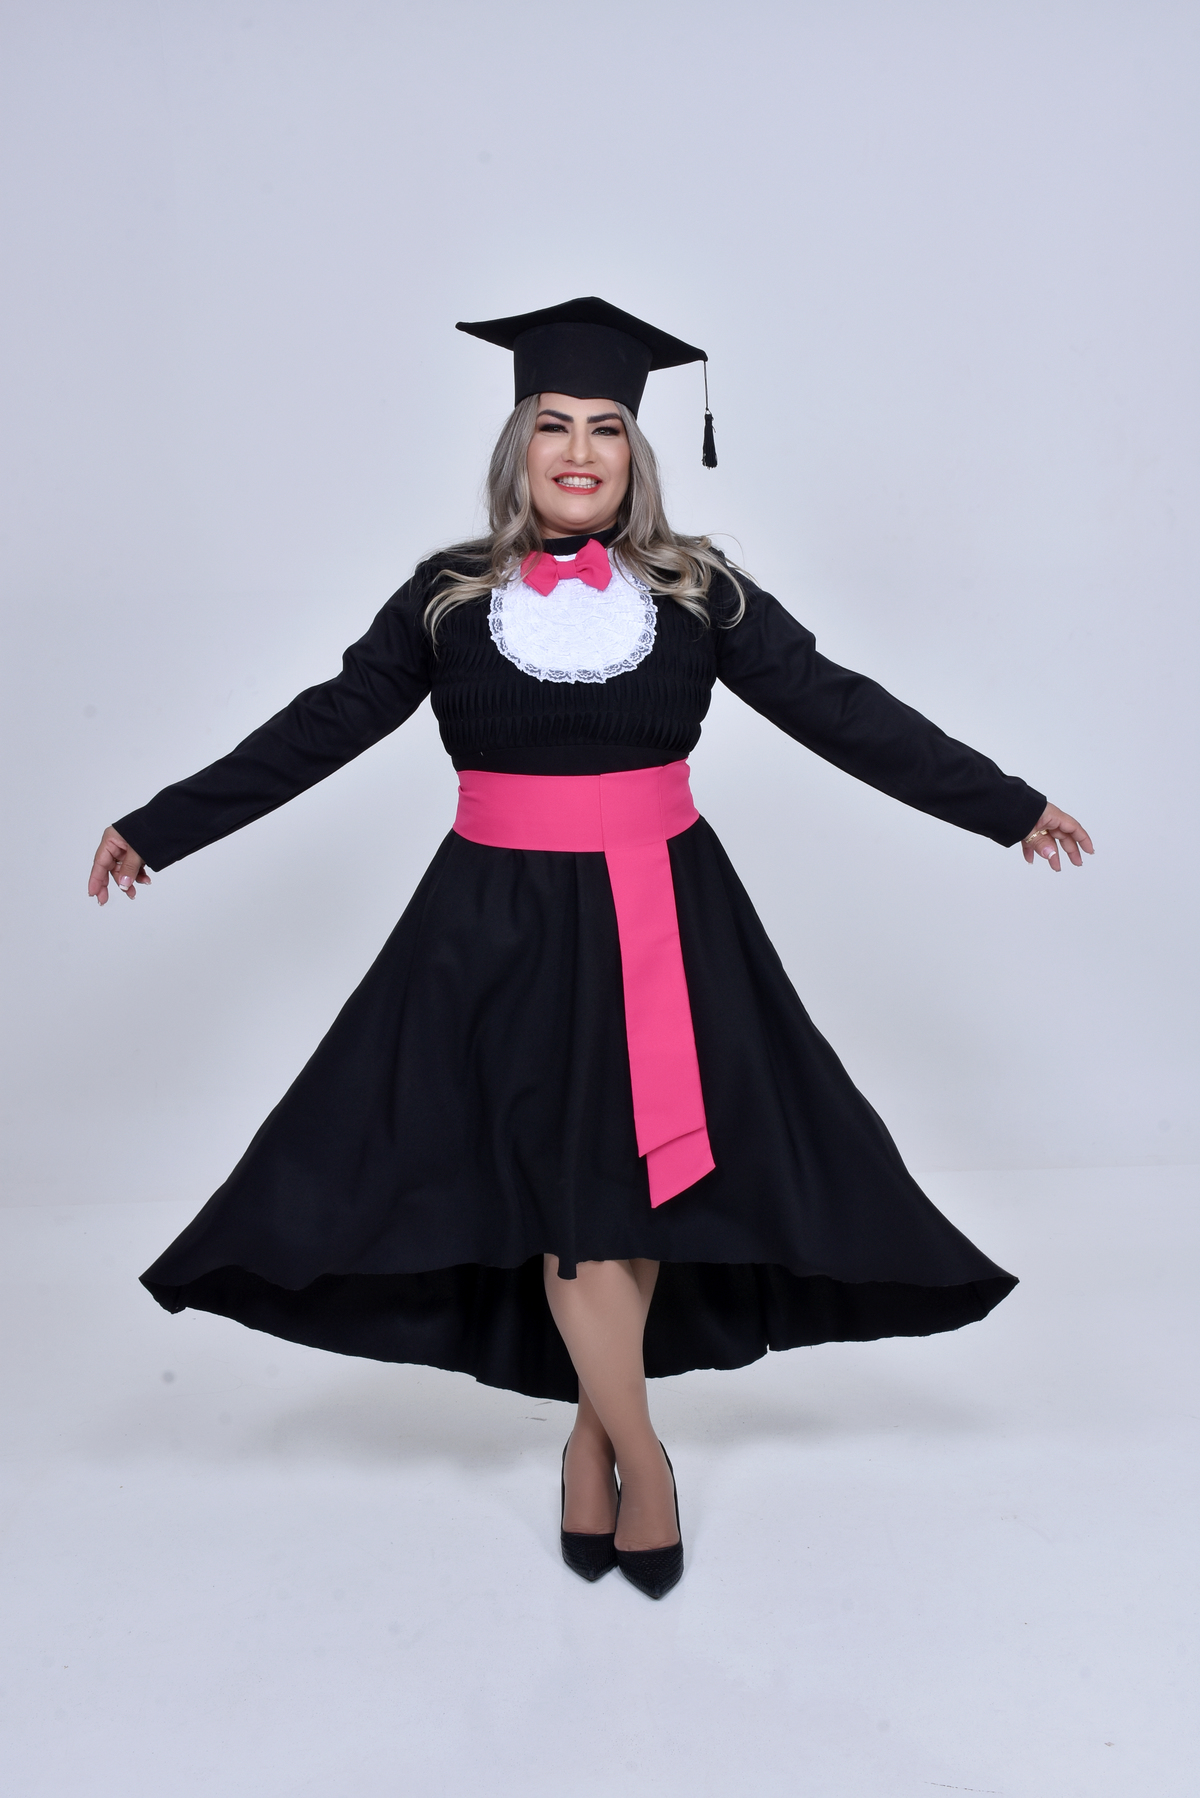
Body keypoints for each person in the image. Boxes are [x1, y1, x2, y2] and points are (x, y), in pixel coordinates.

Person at [89, 296, 1092, 1600]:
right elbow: (321, 725)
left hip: (667, 918)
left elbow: (840, 708)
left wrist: (1007, 805)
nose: (579, 450)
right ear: (518, 447)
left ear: (636, 451)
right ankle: (642, 1455)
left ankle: (589, 1446)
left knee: (628, 1195)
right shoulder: (447, 595)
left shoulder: (702, 591)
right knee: (573, 1214)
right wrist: (161, 826)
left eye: (605, 427)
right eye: (554, 425)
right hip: (493, 930)